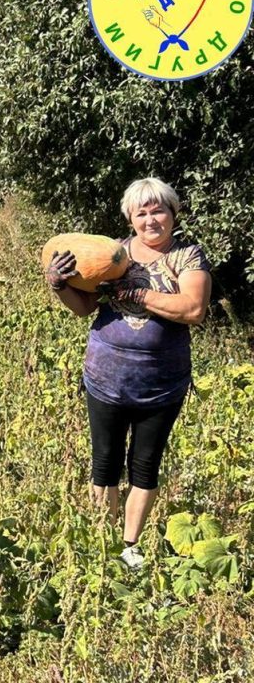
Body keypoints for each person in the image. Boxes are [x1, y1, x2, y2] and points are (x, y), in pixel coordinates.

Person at [46, 177, 211, 570]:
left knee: (145, 463)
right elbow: (85, 307)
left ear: (173, 214)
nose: (151, 219)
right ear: (130, 218)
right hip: (106, 377)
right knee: (104, 461)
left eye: (159, 210)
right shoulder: (111, 254)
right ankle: (101, 540)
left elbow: (193, 310)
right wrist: (58, 285)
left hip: (160, 383)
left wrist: (139, 296)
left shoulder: (187, 257)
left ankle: (130, 545)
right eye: (142, 212)